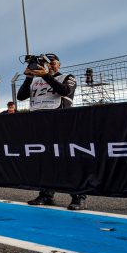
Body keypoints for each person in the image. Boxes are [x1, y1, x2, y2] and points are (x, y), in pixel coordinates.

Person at [16, 53, 86, 210]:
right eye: (48, 63)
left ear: (59, 64)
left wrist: (46, 75)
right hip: (40, 123)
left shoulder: (67, 77)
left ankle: (79, 196)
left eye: (53, 63)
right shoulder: (37, 80)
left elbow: (64, 91)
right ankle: (46, 194)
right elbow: (20, 96)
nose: (51, 65)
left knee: (67, 160)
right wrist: (29, 77)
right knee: (45, 161)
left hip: (61, 123)